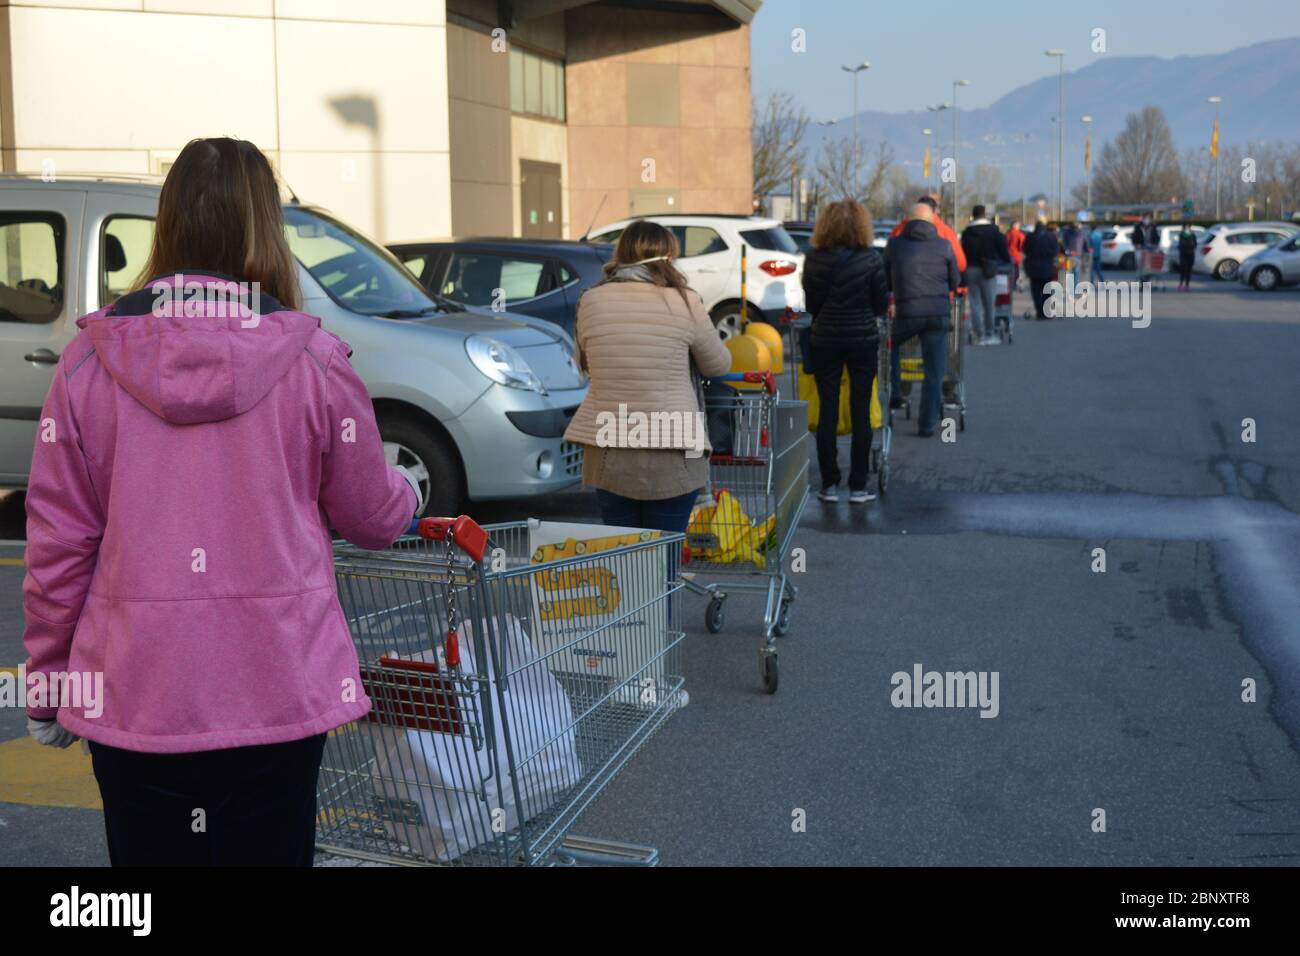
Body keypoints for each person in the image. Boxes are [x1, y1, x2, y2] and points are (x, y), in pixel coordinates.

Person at [21, 137, 421, 866]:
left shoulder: (86, 367)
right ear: (263, 230)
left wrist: (49, 684)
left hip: (136, 695)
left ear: (167, 226)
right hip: (278, 690)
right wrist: (406, 492)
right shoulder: (313, 363)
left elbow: (58, 550)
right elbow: (373, 517)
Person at [564, 220, 730, 533]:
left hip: (608, 447)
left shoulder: (590, 299)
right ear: (668, 258)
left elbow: (585, 365)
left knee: (625, 558)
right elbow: (717, 366)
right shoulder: (684, 300)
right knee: (662, 560)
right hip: (672, 447)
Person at [801, 200, 889, 503]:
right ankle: (859, 485)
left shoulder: (813, 259)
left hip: (824, 339)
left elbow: (812, 305)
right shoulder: (872, 259)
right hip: (862, 339)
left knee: (827, 408)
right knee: (861, 409)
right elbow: (880, 305)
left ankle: (829, 484)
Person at [886, 203, 960, 437]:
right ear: (932, 221)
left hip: (907, 315)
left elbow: (884, 278)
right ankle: (927, 425)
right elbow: (955, 281)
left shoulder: (895, 245)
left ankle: (896, 392)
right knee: (934, 372)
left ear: (907, 221)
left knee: (888, 346)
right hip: (938, 315)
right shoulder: (944, 245)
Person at [960, 204, 1011, 345]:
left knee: (975, 304)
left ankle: (979, 334)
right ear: (985, 215)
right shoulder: (994, 232)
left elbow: (962, 251)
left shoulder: (966, 232)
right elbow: (1004, 252)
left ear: (973, 215)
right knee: (989, 304)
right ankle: (990, 333)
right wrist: (1005, 261)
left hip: (971, 269)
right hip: (989, 270)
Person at [891, 194, 968, 276]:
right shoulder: (946, 232)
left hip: (903, 283)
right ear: (935, 211)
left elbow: (889, 260)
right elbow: (960, 264)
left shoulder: (899, 229)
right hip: (938, 283)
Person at [1023, 220, 1062, 320]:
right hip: (1047, 267)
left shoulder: (1030, 236)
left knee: (1035, 291)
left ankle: (1039, 312)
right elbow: (1056, 251)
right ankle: (1047, 312)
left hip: (1033, 268)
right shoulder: (1051, 236)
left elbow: (1024, 249)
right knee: (1047, 291)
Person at [1176, 222, 1199, 290]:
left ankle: (1187, 285)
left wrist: (1191, 246)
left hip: (1190, 254)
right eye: (1185, 226)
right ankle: (1181, 284)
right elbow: (1180, 245)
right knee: (1183, 270)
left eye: (1188, 226)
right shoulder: (1181, 234)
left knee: (1189, 270)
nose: (1187, 228)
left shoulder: (1193, 235)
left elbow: (1195, 244)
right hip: (1183, 254)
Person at [1007, 219, 1026, 292]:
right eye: (1018, 225)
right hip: (1017, 255)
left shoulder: (1008, 234)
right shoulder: (1019, 234)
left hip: (1009, 255)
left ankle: (1012, 285)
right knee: (1019, 271)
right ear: (1015, 225)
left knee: (1011, 271)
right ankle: (1019, 285)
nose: (1019, 226)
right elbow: (1022, 246)